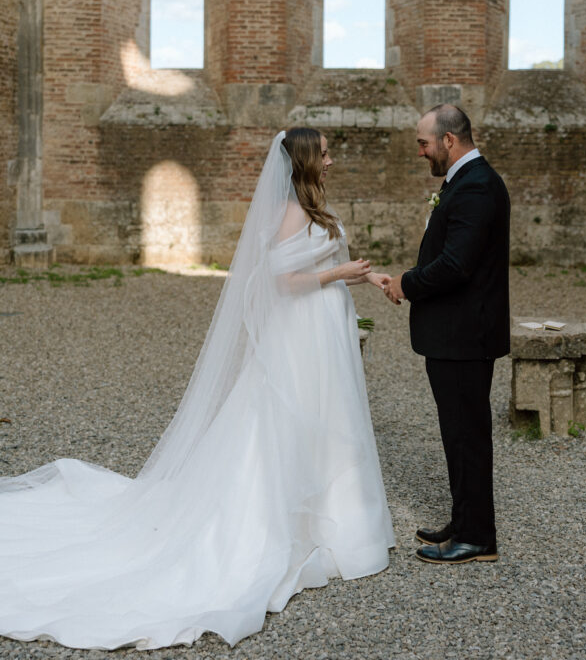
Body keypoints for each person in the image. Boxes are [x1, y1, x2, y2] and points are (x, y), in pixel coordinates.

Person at [0, 128, 394, 650]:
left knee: (329, 419)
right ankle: (288, 523)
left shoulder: (312, 207)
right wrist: (340, 272)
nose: (331, 158)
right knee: (293, 417)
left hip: (321, 330)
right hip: (302, 335)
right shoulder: (293, 212)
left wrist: (365, 278)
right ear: (303, 160)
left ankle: (333, 516)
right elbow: (281, 281)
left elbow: (316, 266)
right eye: (324, 152)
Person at [382, 104, 510, 564]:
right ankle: (465, 519)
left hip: (464, 337)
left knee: (467, 435)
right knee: (458, 433)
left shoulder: (476, 187)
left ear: (449, 140)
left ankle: (477, 537)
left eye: (423, 143)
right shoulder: (464, 182)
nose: (421, 152)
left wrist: (406, 282)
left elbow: (457, 266)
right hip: (458, 334)